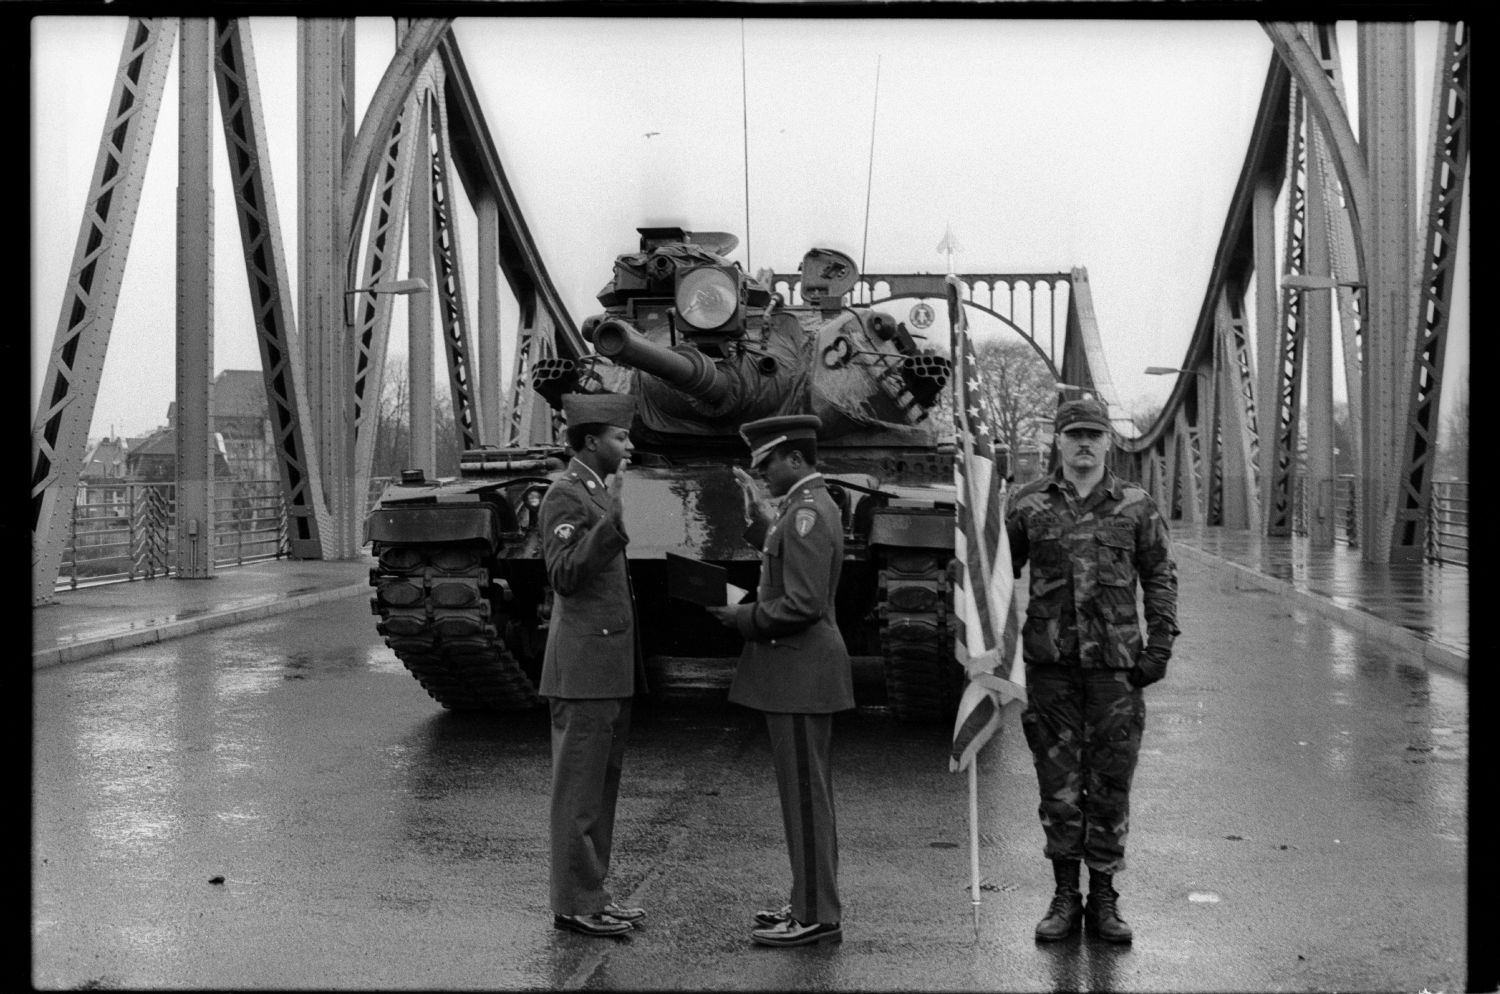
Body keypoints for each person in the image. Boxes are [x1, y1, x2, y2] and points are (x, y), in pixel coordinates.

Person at [1005, 396, 1179, 944]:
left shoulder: (1136, 505)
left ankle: (1103, 896)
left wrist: (1160, 646)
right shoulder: (1028, 505)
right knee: (1057, 787)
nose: (1084, 443)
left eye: (1093, 435)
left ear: (1108, 441)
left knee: (1110, 785)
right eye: (1074, 434)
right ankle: (1064, 896)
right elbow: (991, 576)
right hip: (1051, 669)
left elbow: (1160, 576)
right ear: (1058, 441)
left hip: (1115, 670)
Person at [706, 414, 854, 948]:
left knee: (806, 799)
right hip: (797, 670)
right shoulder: (800, 509)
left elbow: (804, 603)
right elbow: (785, 558)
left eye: (766, 463)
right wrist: (758, 518)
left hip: (799, 669)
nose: (761, 472)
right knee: (805, 797)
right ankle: (809, 902)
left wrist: (740, 618)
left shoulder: (808, 513)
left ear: (795, 459)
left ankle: (815, 915)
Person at [537, 392, 650, 938]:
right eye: (620, 438)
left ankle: (594, 895)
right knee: (578, 795)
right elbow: (563, 574)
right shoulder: (566, 495)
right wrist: (615, 526)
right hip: (583, 666)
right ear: (590, 442)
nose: (629, 445)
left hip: (605, 663)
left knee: (600, 792)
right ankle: (575, 903)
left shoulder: (598, 492)